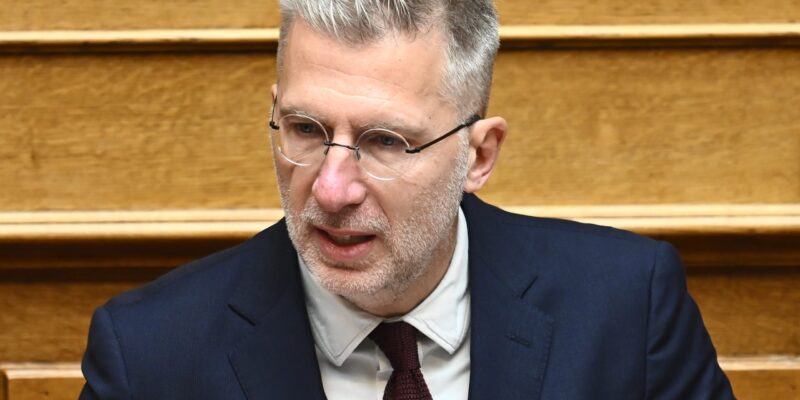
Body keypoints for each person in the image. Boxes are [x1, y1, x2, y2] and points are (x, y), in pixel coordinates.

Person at [79, 1, 735, 399]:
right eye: (305, 130)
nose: (331, 189)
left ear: (479, 155)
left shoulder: (628, 309)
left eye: (386, 141)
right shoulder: (149, 355)